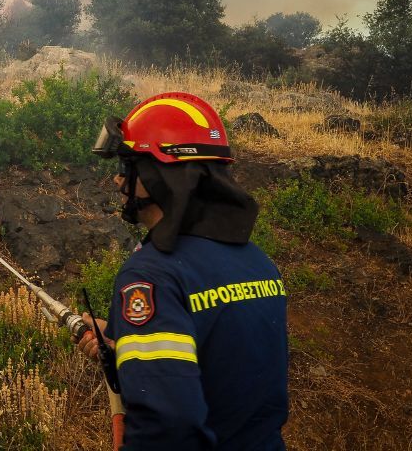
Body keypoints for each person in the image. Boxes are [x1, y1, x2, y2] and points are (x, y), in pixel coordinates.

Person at [77, 91, 288, 450]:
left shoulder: (150, 277)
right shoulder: (259, 263)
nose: (117, 181)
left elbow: (167, 425)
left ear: (159, 175)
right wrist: (122, 339)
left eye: (127, 167)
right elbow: (216, 355)